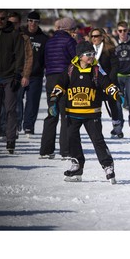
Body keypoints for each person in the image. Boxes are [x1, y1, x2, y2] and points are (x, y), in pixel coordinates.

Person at [48, 41, 124, 184]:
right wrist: (53, 101)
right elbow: (59, 86)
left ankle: (108, 166)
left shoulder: (96, 70)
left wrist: (116, 94)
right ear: (80, 56)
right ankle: (77, 165)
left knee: (98, 141)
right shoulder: (70, 70)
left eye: (93, 54)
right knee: (72, 139)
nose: (91, 57)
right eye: (88, 54)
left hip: (92, 113)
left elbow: (107, 84)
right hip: (72, 113)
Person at [40, 17, 77, 159]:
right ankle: (66, 150)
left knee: (52, 112)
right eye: (73, 29)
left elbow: (45, 60)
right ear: (69, 29)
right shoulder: (69, 41)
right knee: (65, 114)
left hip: (50, 79)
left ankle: (46, 150)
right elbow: (75, 60)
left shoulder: (49, 42)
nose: (75, 32)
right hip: (63, 80)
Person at [15, 11, 48, 137]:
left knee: (32, 102)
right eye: (30, 21)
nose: (33, 23)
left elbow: (46, 58)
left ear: (38, 23)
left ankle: (29, 126)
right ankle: (17, 123)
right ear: (27, 21)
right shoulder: (20, 36)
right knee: (17, 100)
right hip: (19, 73)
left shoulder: (43, 38)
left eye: (35, 21)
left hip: (36, 75)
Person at [0, 9, 25, 154]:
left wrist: (17, 75)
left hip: (9, 77)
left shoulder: (14, 34)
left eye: (2, 18)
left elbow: (20, 55)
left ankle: (10, 140)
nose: (0, 21)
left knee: (10, 110)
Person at [89, 27, 120, 137]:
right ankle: (97, 130)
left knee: (112, 103)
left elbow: (115, 66)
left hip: (108, 80)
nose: (94, 38)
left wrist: (108, 81)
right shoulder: (88, 49)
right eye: (92, 36)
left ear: (102, 37)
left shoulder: (110, 49)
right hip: (94, 82)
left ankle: (116, 127)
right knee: (96, 106)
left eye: (96, 36)